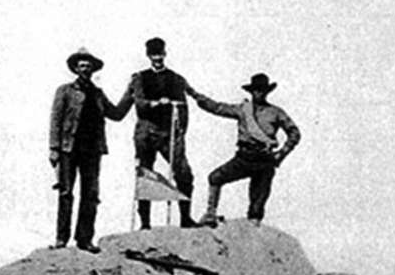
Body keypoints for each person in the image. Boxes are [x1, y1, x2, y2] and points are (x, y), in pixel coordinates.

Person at [188, 73, 301, 227]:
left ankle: (253, 229)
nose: (258, 93)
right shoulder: (243, 109)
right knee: (215, 178)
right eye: (256, 90)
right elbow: (218, 108)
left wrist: (282, 153)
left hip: (264, 161)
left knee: (257, 204)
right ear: (251, 92)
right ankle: (210, 214)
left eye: (262, 90)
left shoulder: (276, 112)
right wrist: (195, 96)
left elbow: (294, 133)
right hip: (244, 157)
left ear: (267, 92)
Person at [49, 48, 132, 251]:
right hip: (69, 148)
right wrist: (54, 148)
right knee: (66, 193)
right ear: (76, 68)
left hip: (92, 150)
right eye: (82, 65)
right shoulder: (65, 91)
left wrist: (131, 92)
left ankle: (85, 239)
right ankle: (61, 239)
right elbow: (56, 120)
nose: (85, 68)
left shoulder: (97, 94)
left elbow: (116, 114)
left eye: (88, 65)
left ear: (93, 69)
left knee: (91, 195)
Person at [128, 37, 198, 229]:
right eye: (153, 54)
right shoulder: (139, 78)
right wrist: (156, 103)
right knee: (145, 175)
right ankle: (145, 223)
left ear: (165, 54)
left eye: (160, 53)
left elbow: (184, 107)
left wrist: (181, 131)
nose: (157, 57)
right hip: (146, 133)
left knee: (184, 173)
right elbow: (139, 104)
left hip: (169, 134)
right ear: (148, 56)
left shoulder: (176, 79)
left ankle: (185, 218)